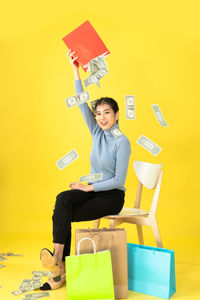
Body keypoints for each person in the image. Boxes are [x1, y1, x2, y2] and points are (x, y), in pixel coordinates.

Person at [40, 50, 131, 290]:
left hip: (111, 196)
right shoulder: (96, 132)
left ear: (117, 115)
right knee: (63, 200)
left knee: (64, 214)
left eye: (107, 113)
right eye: (98, 113)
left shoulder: (122, 142)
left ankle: (58, 270)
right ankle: (59, 263)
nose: (101, 118)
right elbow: (81, 102)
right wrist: (75, 70)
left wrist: (88, 186)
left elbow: (118, 180)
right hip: (91, 190)